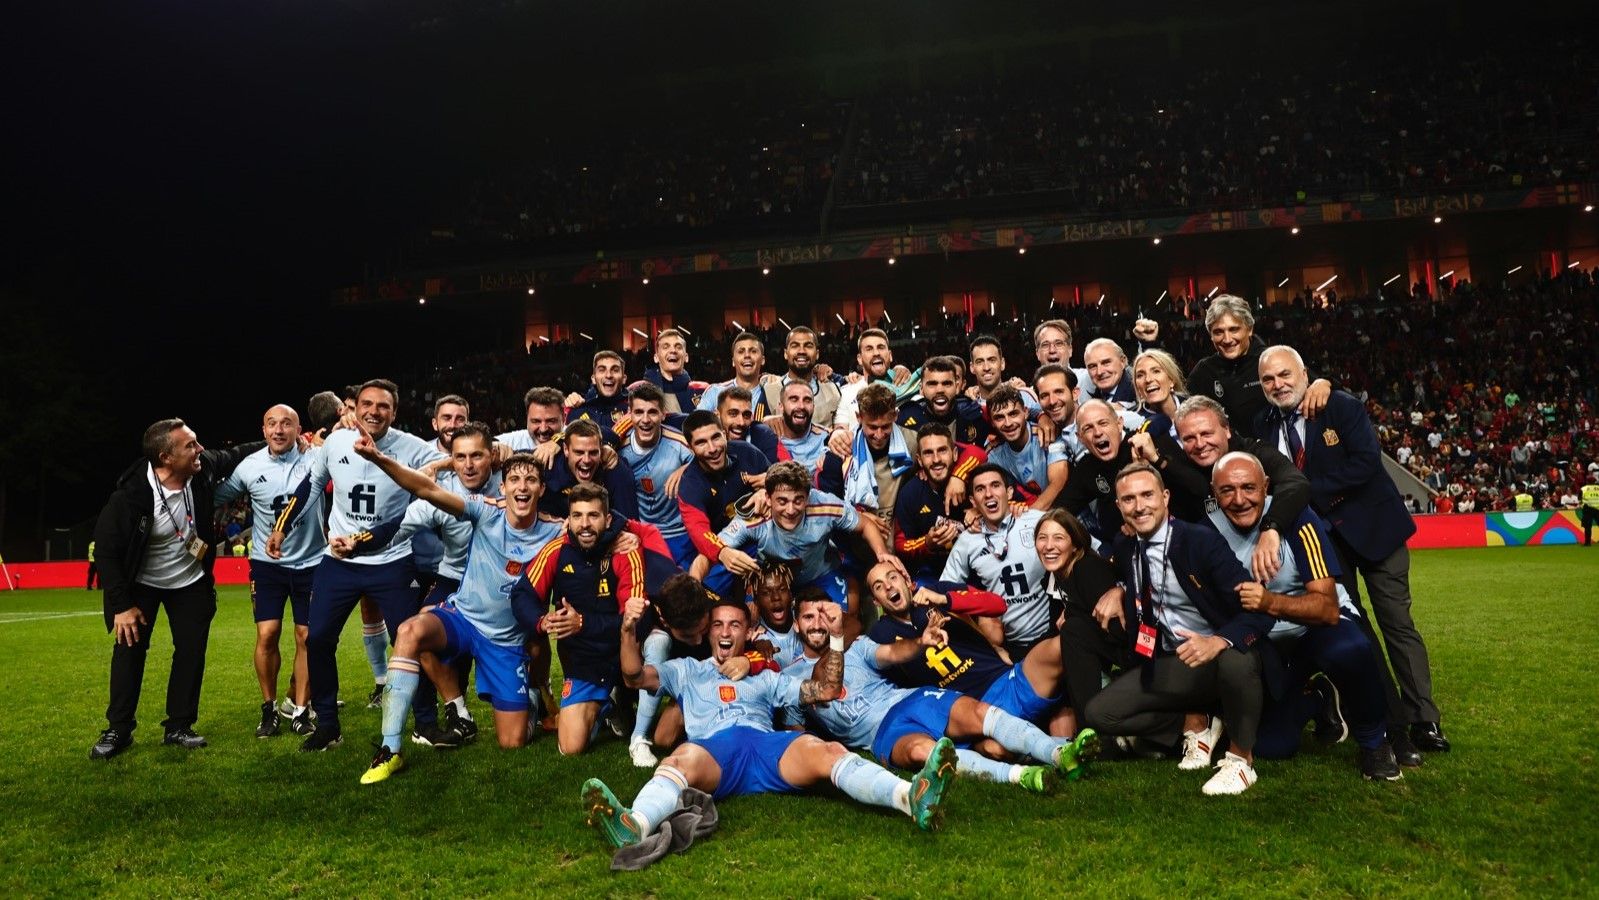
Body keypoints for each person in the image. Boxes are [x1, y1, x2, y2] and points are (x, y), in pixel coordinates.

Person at [581, 595, 957, 855]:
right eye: (718, 625)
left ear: (749, 633)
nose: (725, 632)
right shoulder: (686, 671)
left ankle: (911, 798)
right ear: (707, 632)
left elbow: (827, 689)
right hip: (714, 751)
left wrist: (838, 639)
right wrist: (628, 630)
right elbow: (633, 677)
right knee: (679, 759)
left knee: (828, 750)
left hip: (765, 748)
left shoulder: (766, 677)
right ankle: (637, 824)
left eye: (734, 625)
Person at [1256, 344, 1448, 757]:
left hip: (1376, 529)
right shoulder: (1264, 424)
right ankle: (1386, 721)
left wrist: (1304, 495)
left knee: (1397, 623)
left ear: (1305, 373)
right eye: (1269, 379)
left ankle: (1424, 719)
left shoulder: (1338, 405)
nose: (1278, 384)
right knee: (1357, 629)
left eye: (1285, 374)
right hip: (1324, 543)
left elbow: (1365, 462)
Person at [343, 438, 559, 782]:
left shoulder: (557, 533)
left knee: (513, 741)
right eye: (514, 481)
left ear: (541, 489)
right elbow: (425, 489)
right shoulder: (485, 510)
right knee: (410, 631)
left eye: (530, 480)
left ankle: (531, 697)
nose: (522, 487)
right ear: (502, 488)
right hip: (464, 618)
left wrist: (628, 535)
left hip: (506, 642)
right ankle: (391, 747)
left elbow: (600, 526)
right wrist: (380, 458)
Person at [268, 379, 446, 752]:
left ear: (394, 412)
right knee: (317, 639)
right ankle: (328, 725)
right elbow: (311, 487)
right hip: (339, 564)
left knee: (411, 641)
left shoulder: (412, 449)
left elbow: (422, 506)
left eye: (383, 406)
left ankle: (425, 723)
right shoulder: (335, 442)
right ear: (354, 406)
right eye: (367, 403)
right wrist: (281, 528)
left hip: (393, 561)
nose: (373, 411)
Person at [1082, 463, 1278, 796]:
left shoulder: (1200, 541)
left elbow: (1259, 613)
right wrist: (1120, 589)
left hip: (1226, 657)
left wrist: (1217, 641)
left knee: (1236, 660)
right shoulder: (1127, 545)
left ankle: (1241, 760)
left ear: (1165, 496)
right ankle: (1195, 724)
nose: (1139, 506)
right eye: (1128, 499)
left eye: (1147, 495)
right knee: (1100, 714)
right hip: (1178, 662)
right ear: (1118, 506)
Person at [1206, 452, 1401, 781]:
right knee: (1272, 746)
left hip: (1314, 630)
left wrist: (1269, 601)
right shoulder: (1207, 529)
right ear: (1214, 493)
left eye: (1249, 488)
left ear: (1266, 486)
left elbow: (1326, 609)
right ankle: (1318, 697)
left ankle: (1374, 742)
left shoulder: (1298, 518)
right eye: (1227, 490)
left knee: (1350, 648)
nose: (1239, 499)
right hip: (1264, 645)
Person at [783, 592, 1096, 792]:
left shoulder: (858, 647)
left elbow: (894, 653)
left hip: (910, 700)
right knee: (925, 753)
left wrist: (920, 642)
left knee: (979, 714)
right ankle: (1021, 777)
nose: (818, 623)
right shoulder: (788, 677)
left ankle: (1059, 754)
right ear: (796, 625)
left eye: (823, 615)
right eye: (809, 617)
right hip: (884, 733)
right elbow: (824, 691)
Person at [90, 418, 261, 760]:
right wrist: (122, 606)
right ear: (166, 457)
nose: (200, 450)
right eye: (191, 445)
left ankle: (179, 726)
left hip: (190, 582)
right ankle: (119, 729)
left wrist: (280, 440)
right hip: (142, 584)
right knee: (129, 651)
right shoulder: (132, 495)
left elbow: (234, 454)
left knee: (191, 652)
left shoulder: (200, 471)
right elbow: (107, 553)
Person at [511, 484, 677, 755]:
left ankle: (637, 726)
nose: (585, 524)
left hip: (626, 653)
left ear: (608, 519)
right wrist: (542, 622)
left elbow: (635, 621)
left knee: (657, 640)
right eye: (577, 516)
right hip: (585, 660)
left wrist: (582, 624)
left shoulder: (625, 550)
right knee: (570, 747)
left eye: (593, 516)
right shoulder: (556, 550)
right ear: (569, 519)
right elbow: (522, 594)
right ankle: (607, 706)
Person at [213, 404, 323, 739]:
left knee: (307, 637)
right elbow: (217, 495)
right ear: (263, 431)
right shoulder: (249, 466)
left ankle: (302, 711)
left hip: (313, 563)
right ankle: (269, 708)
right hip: (266, 565)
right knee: (267, 634)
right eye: (272, 424)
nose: (278, 430)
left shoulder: (316, 459)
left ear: (297, 429)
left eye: (286, 424)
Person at [715, 460, 904, 636]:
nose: (790, 510)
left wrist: (882, 553)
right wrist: (724, 554)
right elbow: (715, 546)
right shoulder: (753, 516)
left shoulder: (825, 504)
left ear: (808, 497)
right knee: (756, 626)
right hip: (775, 585)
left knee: (842, 623)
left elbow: (865, 525)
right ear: (767, 497)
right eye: (782, 501)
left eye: (798, 500)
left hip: (821, 574)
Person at [1166, 395, 1312, 581]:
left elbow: (1296, 483)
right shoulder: (1182, 475)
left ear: (1226, 429)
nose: (1200, 444)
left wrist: (1271, 527)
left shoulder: (1255, 453)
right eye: (1189, 438)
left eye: (1206, 433)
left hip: (1284, 562)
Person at [936, 464, 1052, 657]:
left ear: (1009, 492)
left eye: (995, 485)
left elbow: (1083, 548)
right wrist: (985, 641)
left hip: (1055, 630)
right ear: (973, 501)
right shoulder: (967, 541)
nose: (989, 494)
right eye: (980, 489)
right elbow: (944, 592)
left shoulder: (1036, 521)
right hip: (1013, 646)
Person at [1184, 295, 1330, 429]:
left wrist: (1322, 383)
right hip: (1233, 455)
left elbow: (1321, 384)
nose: (1227, 339)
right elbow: (1181, 409)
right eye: (1218, 332)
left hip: (1280, 452)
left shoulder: (1271, 359)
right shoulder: (1205, 371)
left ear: (1249, 329)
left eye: (1234, 329)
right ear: (1210, 335)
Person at [676, 410, 770, 599]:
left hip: (762, 538)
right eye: (701, 442)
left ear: (724, 434)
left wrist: (768, 490)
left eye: (716, 437)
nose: (712, 448)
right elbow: (699, 531)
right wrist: (722, 552)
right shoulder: (689, 485)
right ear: (689, 447)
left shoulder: (748, 453)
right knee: (704, 592)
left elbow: (785, 480)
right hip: (720, 547)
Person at [626, 573, 716, 767]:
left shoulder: (712, 604)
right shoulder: (646, 610)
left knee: (664, 738)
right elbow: (629, 669)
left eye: (702, 629)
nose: (699, 641)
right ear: (665, 621)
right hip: (660, 669)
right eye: (688, 635)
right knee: (658, 643)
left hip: (700, 674)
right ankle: (638, 738)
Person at [619, 385, 696, 567]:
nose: (645, 420)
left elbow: (709, 461)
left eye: (652, 412)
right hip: (641, 534)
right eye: (638, 412)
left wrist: (688, 468)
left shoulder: (679, 444)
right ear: (629, 415)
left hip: (681, 533)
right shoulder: (618, 449)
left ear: (663, 414)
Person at [893, 424, 982, 581]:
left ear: (955, 454)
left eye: (942, 450)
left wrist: (982, 513)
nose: (936, 460)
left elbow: (978, 452)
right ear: (919, 460)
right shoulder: (909, 494)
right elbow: (901, 545)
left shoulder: (975, 481)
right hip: (934, 574)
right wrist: (927, 542)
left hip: (979, 568)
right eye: (928, 453)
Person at [985, 385, 1068, 508]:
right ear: (992, 422)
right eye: (999, 417)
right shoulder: (994, 453)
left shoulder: (1047, 433)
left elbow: (1058, 483)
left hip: (1070, 511)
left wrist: (1028, 519)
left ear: (1025, 412)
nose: (1008, 423)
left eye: (1013, 414)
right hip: (1033, 514)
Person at [538, 419, 640, 521]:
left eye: (593, 452)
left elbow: (630, 527)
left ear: (601, 449)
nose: (586, 460)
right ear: (566, 449)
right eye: (579, 452)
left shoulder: (615, 469)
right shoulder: (546, 463)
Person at [760, 326, 842, 429]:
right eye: (795, 346)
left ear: (817, 354)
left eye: (808, 346)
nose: (802, 351)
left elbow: (840, 431)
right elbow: (757, 429)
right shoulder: (768, 391)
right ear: (785, 353)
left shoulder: (833, 391)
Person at [898, 356, 991, 446]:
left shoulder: (974, 414)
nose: (940, 390)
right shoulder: (903, 420)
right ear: (921, 387)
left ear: (956, 386)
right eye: (932, 384)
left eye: (947, 383)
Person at [697, 332, 777, 418]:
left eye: (753, 351)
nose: (747, 355)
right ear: (733, 361)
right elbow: (696, 426)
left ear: (763, 360)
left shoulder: (772, 392)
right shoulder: (715, 392)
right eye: (741, 351)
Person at [638, 328, 704, 416]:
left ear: (686, 357)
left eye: (678, 347)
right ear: (656, 357)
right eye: (666, 347)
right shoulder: (637, 391)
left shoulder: (702, 391)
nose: (673, 350)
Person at [764, 380, 829, 469]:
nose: (801, 406)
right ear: (781, 406)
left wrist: (837, 432)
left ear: (813, 407)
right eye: (794, 400)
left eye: (807, 400)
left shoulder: (826, 440)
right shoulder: (767, 439)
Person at [967, 335, 1040, 413]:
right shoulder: (967, 406)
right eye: (979, 362)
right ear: (972, 368)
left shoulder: (1025, 397)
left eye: (992, 360)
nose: (986, 367)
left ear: (1002, 363)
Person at [567, 350, 633, 433]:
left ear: (624, 379)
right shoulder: (578, 410)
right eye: (602, 370)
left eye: (615, 370)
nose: (608, 375)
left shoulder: (634, 410)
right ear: (593, 379)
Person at [1131, 349, 1189, 441]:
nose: (1148, 379)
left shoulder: (1197, 407)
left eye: (1156, 371)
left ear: (1171, 380)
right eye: (1140, 375)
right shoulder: (1133, 422)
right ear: (1137, 388)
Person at [715, 385, 780, 463]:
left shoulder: (764, 435)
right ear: (717, 415)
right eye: (733, 414)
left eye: (746, 415)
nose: (741, 422)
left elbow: (773, 473)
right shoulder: (707, 440)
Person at [496, 387, 568, 452]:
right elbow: (487, 442)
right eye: (536, 421)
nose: (543, 429)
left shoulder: (571, 435)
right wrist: (494, 447)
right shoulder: (514, 441)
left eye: (551, 421)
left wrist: (559, 441)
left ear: (564, 418)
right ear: (527, 419)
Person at [1081, 338, 1137, 406]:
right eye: (1093, 366)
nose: (1099, 372)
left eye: (1106, 363)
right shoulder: (1096, 396)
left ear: (1122, 362)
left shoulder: (1138, 394)